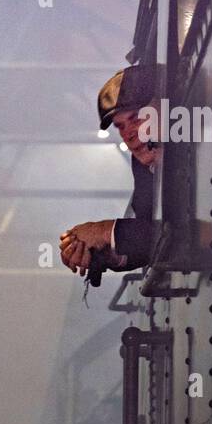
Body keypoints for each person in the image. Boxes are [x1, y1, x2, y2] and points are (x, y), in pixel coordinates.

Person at [60, 64, 162, 278]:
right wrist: (107, 255)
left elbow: (180, 234)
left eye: (136, 118)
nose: (129, 134)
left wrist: (104, 231)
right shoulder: (143, 166)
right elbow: (152, 236)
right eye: (120, 127)